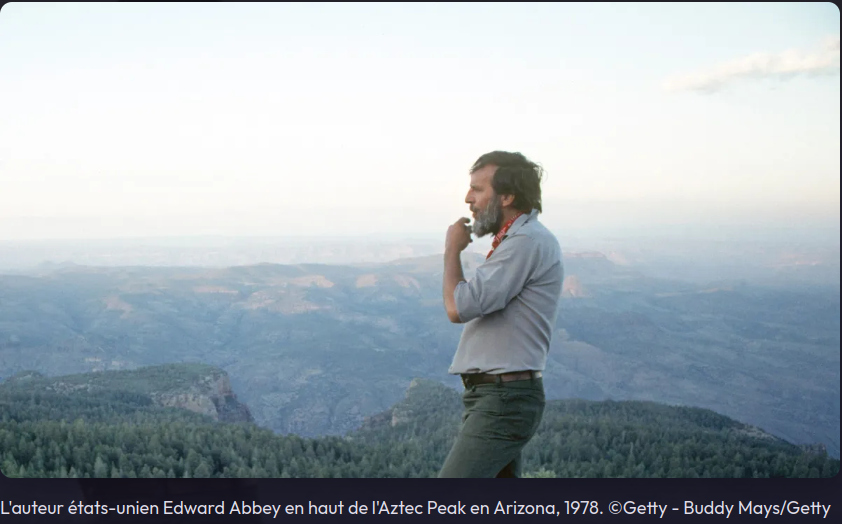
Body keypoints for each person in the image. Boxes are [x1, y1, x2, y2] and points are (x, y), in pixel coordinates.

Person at [439, 151, 564, 478]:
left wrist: (452, 250)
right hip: (496, 397)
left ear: (507, 196)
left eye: (478, 189)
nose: (468, 198)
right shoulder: (519, 239)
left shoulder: (525, 241)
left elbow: (458, 307)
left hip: (503, 400)